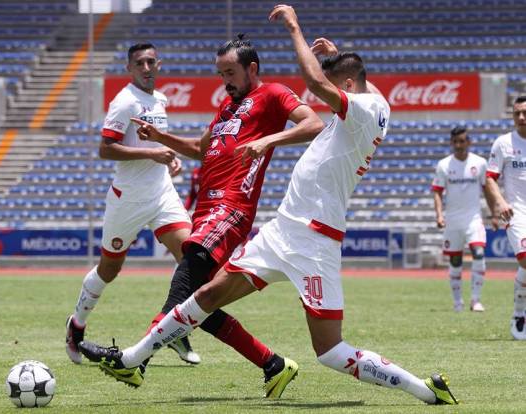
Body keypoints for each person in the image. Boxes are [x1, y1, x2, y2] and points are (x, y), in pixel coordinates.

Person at [91, 5, 460, 405]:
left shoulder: (365, 110)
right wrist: (335, 58)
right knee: (207, 295)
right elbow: (353, 85)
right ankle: (132, 358)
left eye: (337, 87)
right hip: (283, 229)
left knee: (331, 352)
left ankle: (424, 389)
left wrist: (294, 29)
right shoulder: (375, 102)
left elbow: (316, 87)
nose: (328, 96)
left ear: (348, 85)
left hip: (315, 240)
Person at [79, 33, 324, 398]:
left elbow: (313, 123)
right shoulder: (225, 110)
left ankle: (133, 361)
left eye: (230, 72)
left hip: (231, 207)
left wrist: (266, 141)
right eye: (220, 73)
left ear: (251, 69)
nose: (225, 81)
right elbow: (198, 148)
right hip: (207, 209)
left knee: (186, 280)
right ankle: (273, 365)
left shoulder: (272, 94)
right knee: (198, 303)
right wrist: (160, 136)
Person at [65, 43, 200, 365]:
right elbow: (106, 149)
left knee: (193, 259)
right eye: (139, 62)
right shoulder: (124, 102)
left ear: (159, 64)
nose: (146, 67)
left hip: (162, 194)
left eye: (151, 61)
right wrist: (153, 154)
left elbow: (155, 144)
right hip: (129, 199)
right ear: (130, 67)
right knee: (109, 270)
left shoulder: (160, 99)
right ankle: (77, 323)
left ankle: (174, 330)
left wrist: (168, 161)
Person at [432, 127, 492, 312]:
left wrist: (495, 212)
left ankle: (476, 300)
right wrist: (440, 215)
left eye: (462, 141)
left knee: (479, 253)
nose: (459, 145)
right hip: (453, 220)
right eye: (456, 142)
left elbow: (488, 188)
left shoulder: (480, 163)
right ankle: (458, 302)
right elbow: (437, 192)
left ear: (469, 142)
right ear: (451, 143)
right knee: (455, 261)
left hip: (474, 218)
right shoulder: (443, 165)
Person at [486, 95, 526, 340]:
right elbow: (490, 177)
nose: (521, 117)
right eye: (517, 113)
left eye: (525, 113)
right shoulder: (503, 143)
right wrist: (499, 202)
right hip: (517, 212)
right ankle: (519, 312)